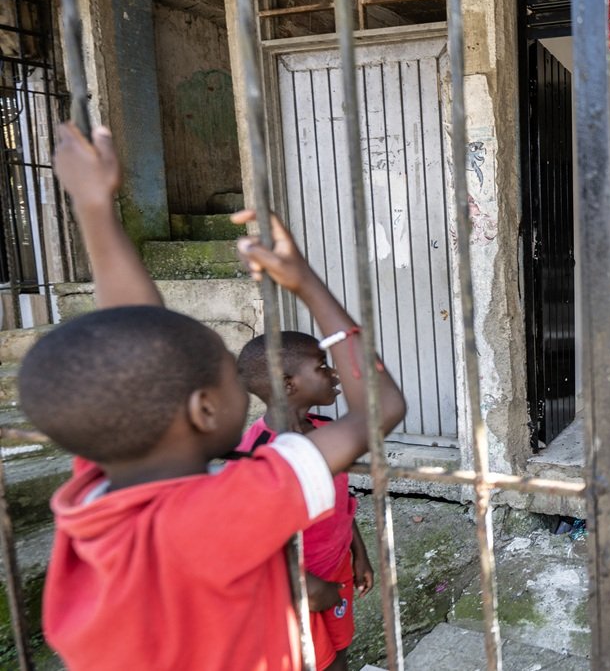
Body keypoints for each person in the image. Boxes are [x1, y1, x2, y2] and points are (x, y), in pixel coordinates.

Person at [26, 122, 406, 670]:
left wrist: (94, 208)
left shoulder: (97, 488)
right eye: (229, 377)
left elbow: (132, 334)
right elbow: (382, 410)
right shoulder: (223, 507)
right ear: (203, 411)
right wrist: (307, 285)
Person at [235, 331, 375, 671]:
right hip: (294, 585)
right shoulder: (258, 456)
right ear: (287, 384)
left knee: (339, 647)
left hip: (336, 566)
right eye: (322, 367)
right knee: (316, 661)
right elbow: (253, 541)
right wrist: (308, 587)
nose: (334, 374)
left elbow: (338, 501)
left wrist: (359, 552)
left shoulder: (324, 430)